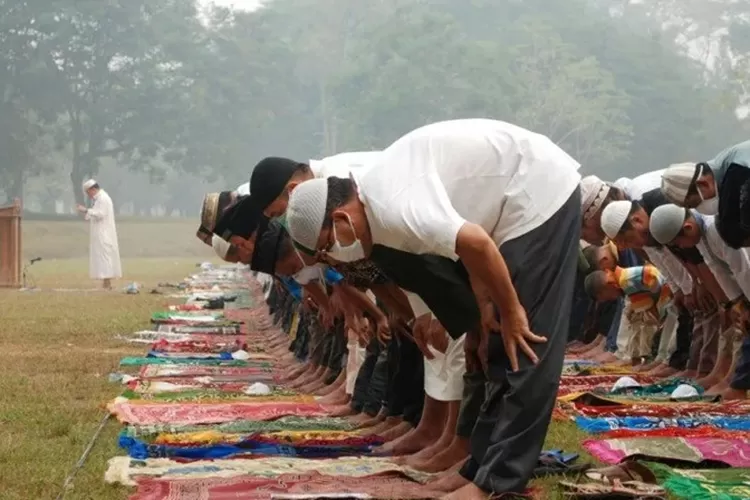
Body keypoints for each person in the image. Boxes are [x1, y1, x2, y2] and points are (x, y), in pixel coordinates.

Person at [284, 118, 582, 498]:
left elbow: (476, 241)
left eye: (328, 249)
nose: (336, 260)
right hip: (499, 212)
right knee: (493, 345)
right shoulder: (376, 214)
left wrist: (510, 309)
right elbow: (466, 241)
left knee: (525, 341)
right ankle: (480, 465)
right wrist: (484, 305)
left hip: (537, 191)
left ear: (341, 219)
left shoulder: (394, 208)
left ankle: (499, 482)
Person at [649, 203, 750, 397]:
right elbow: (716, 268)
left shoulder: (715, 228)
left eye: (678, 243)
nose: (680, 248)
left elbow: (742, 268)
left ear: (687, 228)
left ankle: (737, 386)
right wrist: (732, 302)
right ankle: (736, 383)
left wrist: (746, 305)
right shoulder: (700, 235)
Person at [661, 140, 750, 248]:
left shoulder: (741, 172)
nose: (699, 209)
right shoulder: (725, 164)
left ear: (703, 184)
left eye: (695, 204)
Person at [584, 264, 673, 362]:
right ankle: (629, 355)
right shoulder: (621, 279)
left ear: (607, 286)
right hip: (654, 293)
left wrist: (658, 321)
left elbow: (648, 310)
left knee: (644, 323)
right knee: (631, 315)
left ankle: (647, 358)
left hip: (667, 291)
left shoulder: (626, 282)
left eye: (606, 297)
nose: (609, 299)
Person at [77, 179, 121, 289]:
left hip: (104, 232)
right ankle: (105, 281)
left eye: (88, 192)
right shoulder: (99, 199)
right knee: (102, 256)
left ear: (93, 189)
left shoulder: (103, 198)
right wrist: (88, 213)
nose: (88, 195)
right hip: (100, 232)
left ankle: (107, 282)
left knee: (105, 256)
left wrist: (86, 210)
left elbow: (101, 214)